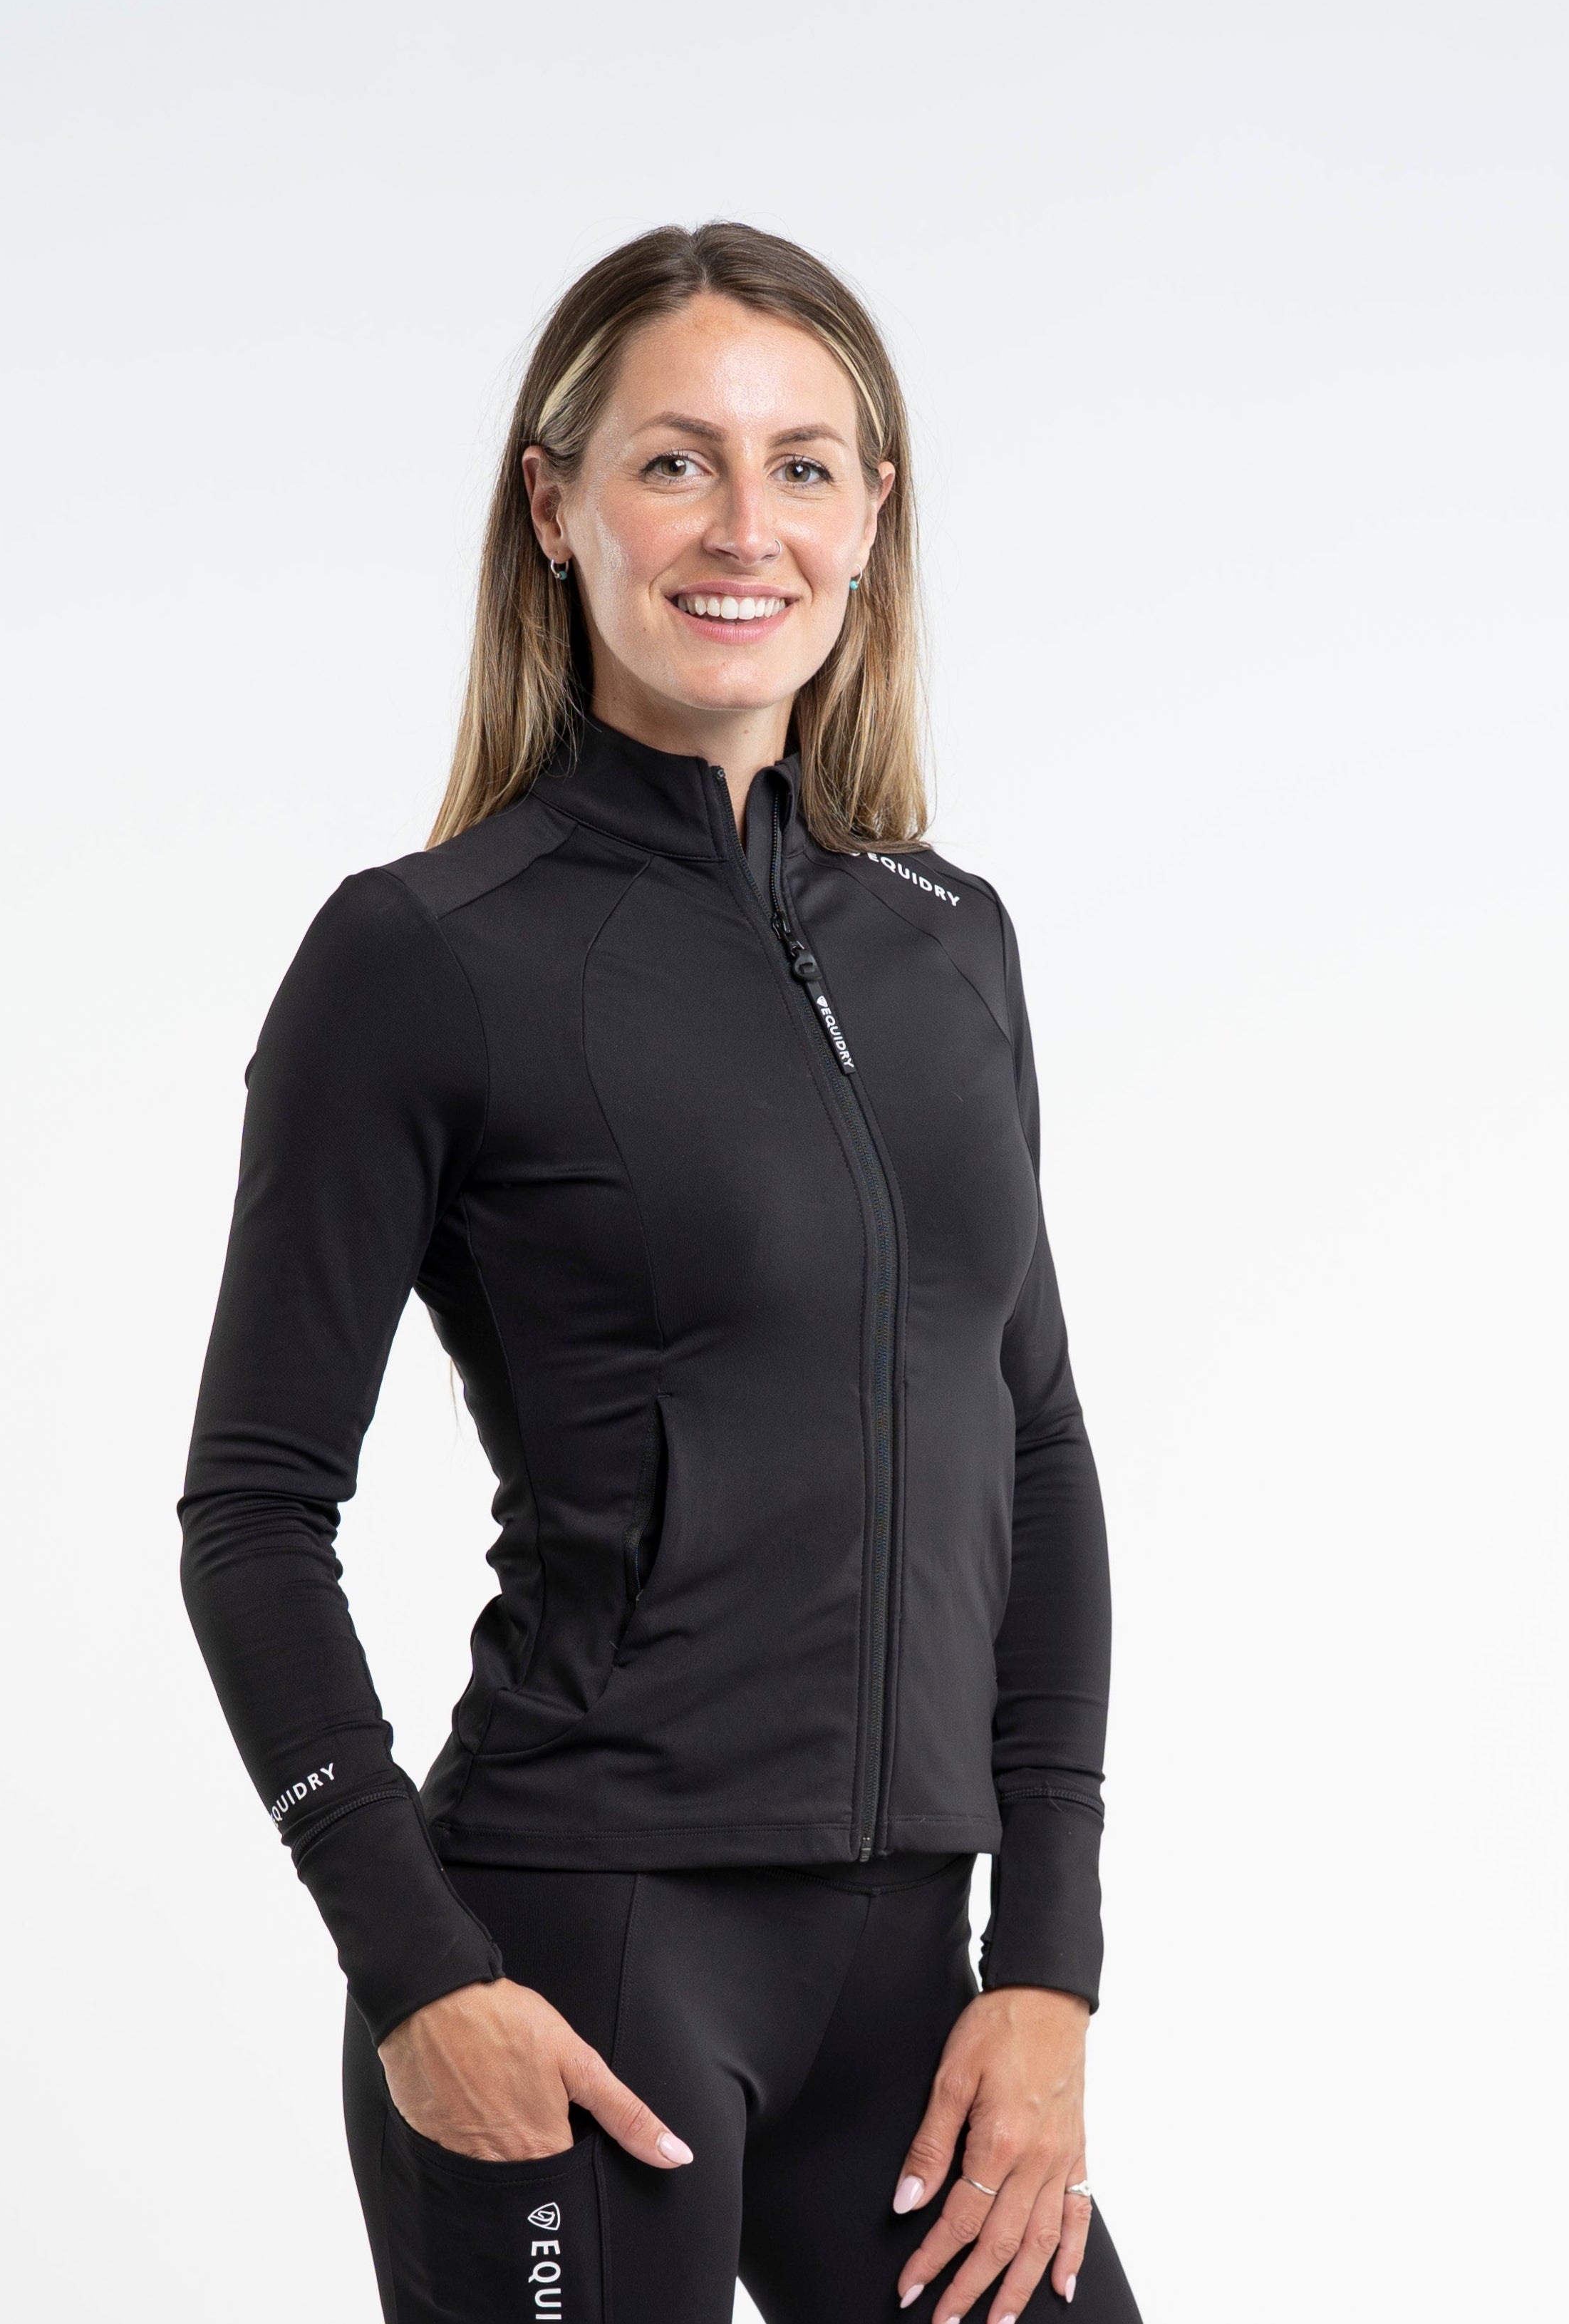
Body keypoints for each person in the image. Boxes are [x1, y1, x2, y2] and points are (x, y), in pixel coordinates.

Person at [179, 221, 1141, 2324]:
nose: (742, 526)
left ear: (872, 518)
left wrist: (1051, 1961)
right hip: (577, 1962)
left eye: (803, 466)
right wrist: (419, 1971)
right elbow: (252, 1514)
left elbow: (1035, 1449)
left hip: (923, 1990)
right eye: (674, 461)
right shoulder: (422, 957)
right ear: (555, 506)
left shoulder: (946, 941)